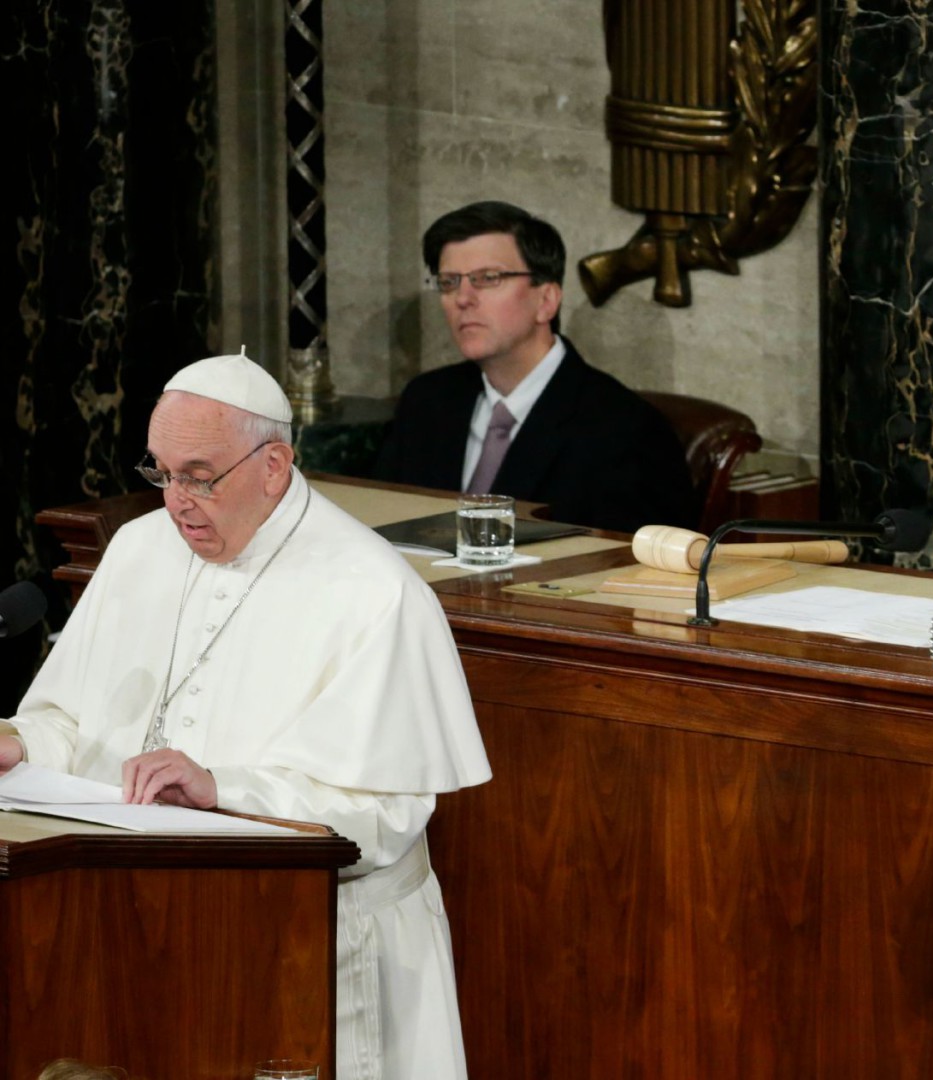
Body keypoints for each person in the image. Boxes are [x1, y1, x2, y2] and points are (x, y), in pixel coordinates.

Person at [1, 353, 493, 1079]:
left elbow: (385, 815)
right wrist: (18, 742)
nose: (175, 501)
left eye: (200, 476)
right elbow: (72, 724)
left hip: (313, 944)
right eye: (161, 473)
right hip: (148, 921)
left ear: (274, 465)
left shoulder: (371, 590)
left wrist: (220, 787)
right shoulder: (139, 551)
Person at [372, 200, 695, 533]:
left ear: (547, 300)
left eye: (487, 278)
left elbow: (645, 569)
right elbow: (383, 530)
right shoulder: (427, 401)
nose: (463, 298)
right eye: (449, 282)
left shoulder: (623, 427)